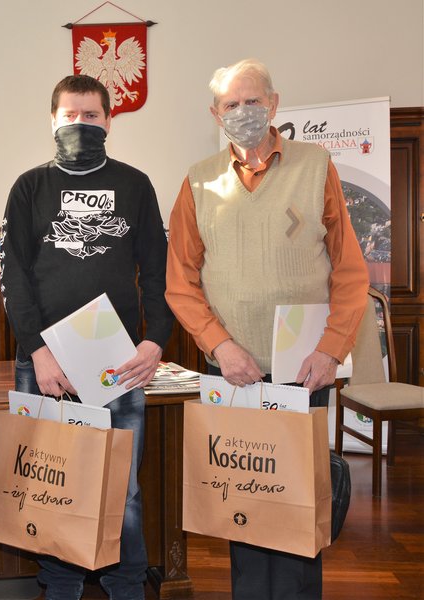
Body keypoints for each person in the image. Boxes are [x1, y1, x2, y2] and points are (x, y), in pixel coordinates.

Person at [165, 58, 369, 600]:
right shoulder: (197, 181)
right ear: (216, 114)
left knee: (299, 509)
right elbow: (180, 283)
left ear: (274, 104)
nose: (243, 112)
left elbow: (350, 271)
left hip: (305, 371)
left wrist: (331, 351)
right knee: (247, 506)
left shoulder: (316, 165)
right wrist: (220, 346)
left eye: (252, 101)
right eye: (230, 104)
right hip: (233, 373)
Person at [0, 74, 173, 600]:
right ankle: (61, 586)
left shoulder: (135, 185)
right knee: (51, 480)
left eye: (91, 115)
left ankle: (126, 585)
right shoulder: (29, 187)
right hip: (44, 362)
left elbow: (158, 271)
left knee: (123, 486)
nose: (80, 123)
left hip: (116, 359)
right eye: (70, 115)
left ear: (109, 122)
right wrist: (37, 350)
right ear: (52, 121)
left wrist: (155, 339)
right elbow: (14, 277)